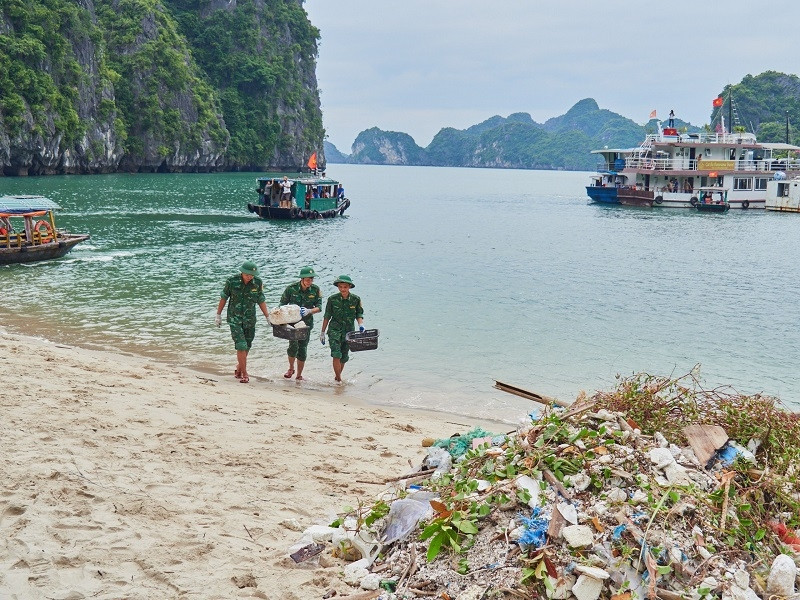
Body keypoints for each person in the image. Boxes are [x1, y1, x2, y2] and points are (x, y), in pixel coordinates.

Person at [215, 261, 270, 384]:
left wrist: (268, 316)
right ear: (242, 272)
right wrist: (218, 315)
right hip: (235, 318)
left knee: (247, 346)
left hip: (250, 319)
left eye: (252, 275)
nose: (250, 277)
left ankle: (239, 369)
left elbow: (261, 300)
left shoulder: (258, 283)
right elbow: (224, 297)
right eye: (248, 275)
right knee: (241, 345)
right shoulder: (232, 281)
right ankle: (245, 374)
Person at [280, 266, 322, 381]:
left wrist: (310, 310)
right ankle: (290, 368)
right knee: (292, 346)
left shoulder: (315, 290)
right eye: (307, 279)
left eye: (311, 279)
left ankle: (299, 375)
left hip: (306, 324)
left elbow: (319, 307)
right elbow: (282, 304)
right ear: (302, 279)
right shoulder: (291, 289)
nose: (309, 282)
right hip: (292, 323)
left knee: (303, 349)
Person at [319, 275, 364, 383]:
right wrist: (322, 332)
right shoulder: (332, 299)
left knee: (344, 356)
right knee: (336, 354)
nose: (343, 289)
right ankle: (339, 380)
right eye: (340, 287)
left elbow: (359, 314)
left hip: (349, 332)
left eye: (345, 287)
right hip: (334, 330)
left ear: (349, 287)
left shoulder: (356, 299)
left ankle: (337, 376)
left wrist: (361, 325)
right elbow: (327, 316)